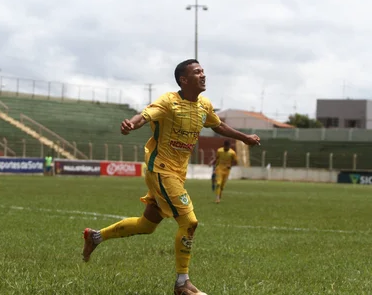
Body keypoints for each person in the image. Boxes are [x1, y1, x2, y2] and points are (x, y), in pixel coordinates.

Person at [82, 59, 260, 295]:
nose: (203, 75)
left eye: (203, 71)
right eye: (197, 72)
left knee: (147, 225)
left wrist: (243, 137)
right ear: (184, 80)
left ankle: (95, 237)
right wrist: (131, 125)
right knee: (190, 222)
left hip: (176, 173)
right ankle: (182, 284)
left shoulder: (204, 105)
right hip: (161, 170)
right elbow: (144, 115)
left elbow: (217, 126)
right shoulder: (168, 101)